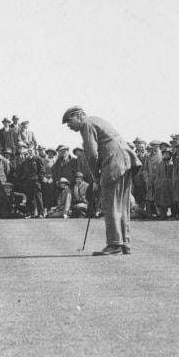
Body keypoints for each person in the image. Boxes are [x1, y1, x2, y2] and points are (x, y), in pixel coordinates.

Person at [62, 106, 140, 256]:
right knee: (121, 205)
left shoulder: (86, 125)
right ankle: (125, 243)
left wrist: (96, 177)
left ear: (79, 116)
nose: (69, 125)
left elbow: (91, 154)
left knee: (109, 204)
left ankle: (114, 244)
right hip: (125, 163)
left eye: (69, 121)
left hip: (114, 165)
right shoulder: (95, 120)